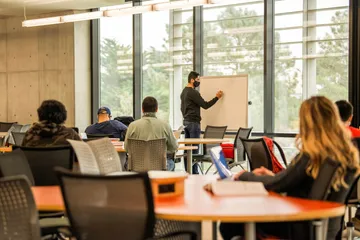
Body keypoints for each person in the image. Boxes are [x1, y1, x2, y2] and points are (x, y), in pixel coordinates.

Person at [220, 96, 360, 240]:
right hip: (323, 226)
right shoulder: (345, 154)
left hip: (299, 223)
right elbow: (296, 181)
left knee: (229, 224)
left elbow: (279, 184)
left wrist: (244, 175)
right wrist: (272, 176)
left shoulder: (313, 152)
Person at [180, 71, 223, 173]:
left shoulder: (184, 92)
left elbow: (182, 108)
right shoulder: (193, 92)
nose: (199, 82)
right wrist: (217, 97)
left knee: (188, 151)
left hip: (186, 123)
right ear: (192, 80)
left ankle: (188, 173)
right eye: (198, 80)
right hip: (194, 124)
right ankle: (194, 174)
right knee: (194, 151)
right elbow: (205, 105)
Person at [124, 97, 178, 171]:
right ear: (156, 109)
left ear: (142, 109)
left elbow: (126, 148)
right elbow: (174, 147)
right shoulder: (165, 125)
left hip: (136, 167)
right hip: (160, 167)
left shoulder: (132, 126)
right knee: (171, 162)